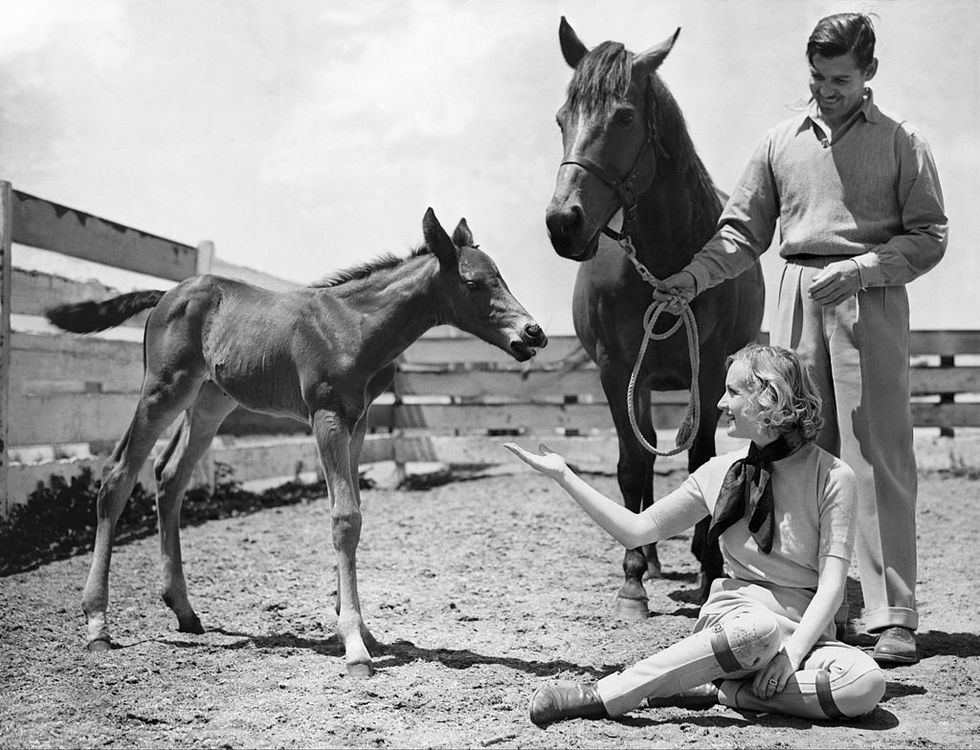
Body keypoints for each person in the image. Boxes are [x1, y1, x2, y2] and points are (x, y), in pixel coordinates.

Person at [652, 12, 947, 665]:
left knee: (877, 456)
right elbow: (740, 233)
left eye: (840, 78)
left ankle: (893, 614)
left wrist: (864, 268)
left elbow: (929, 236)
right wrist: (690, 280)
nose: (826, 90)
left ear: (869, 72)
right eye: (817, 77)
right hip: (795, 301)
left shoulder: (904, 142)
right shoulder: (778, 141)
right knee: (795, 454)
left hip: (868, 302)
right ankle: (822, 603)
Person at [504, 344, 885, 725]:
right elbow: (637, 531)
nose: (720, 402)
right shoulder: (718, 471)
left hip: (804, 635)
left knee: (865, 683)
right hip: (739, 627)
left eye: (734, 392)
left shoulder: (834, 476)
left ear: (771, 398)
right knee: (759, 631)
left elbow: (833, 587)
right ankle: (603, 694)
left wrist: (794, 654)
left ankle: (723, 691)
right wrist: (564, 475)